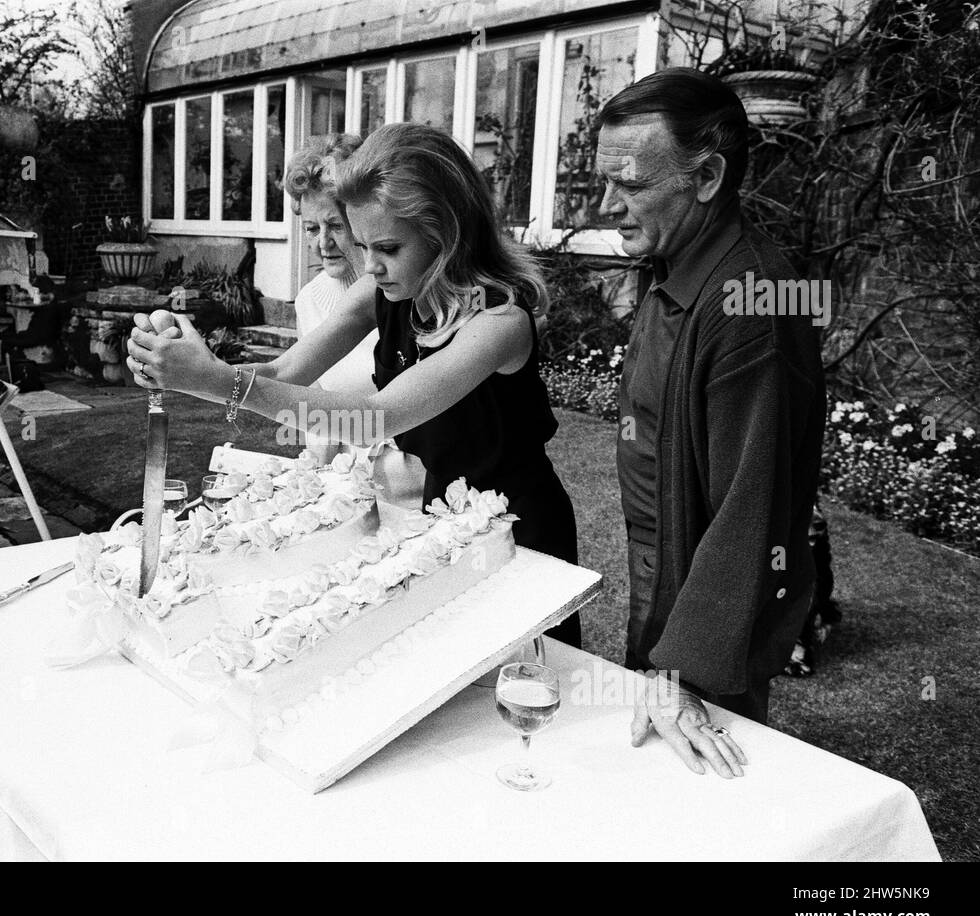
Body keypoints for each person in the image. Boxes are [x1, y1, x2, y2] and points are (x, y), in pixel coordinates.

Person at [127, 122, 582, 648]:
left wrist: (215, 381)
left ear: (446, 233)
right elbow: (283, 373)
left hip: (521, 535)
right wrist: (189, 369)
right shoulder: (382, 290)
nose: (369, 265)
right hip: (443, 524)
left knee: (524, 689)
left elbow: (374, 419)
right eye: (362, 244)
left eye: (387, 246)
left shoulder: (498, 323)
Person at [593, 68, 826, 777]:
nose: (608, 205)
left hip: (708, 623)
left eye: (630, 184)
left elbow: (752, 508)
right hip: (662, 580)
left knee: (703, 790)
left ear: (707, 176)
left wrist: (684, 672)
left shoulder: (750, 302)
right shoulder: (679, 265)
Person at [284, 133, 379, 460]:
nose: (322, 243)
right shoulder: (308, 301)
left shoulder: (396, 292)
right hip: (346, 481)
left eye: (335, 226)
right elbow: (314, 411)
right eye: (311, 229)